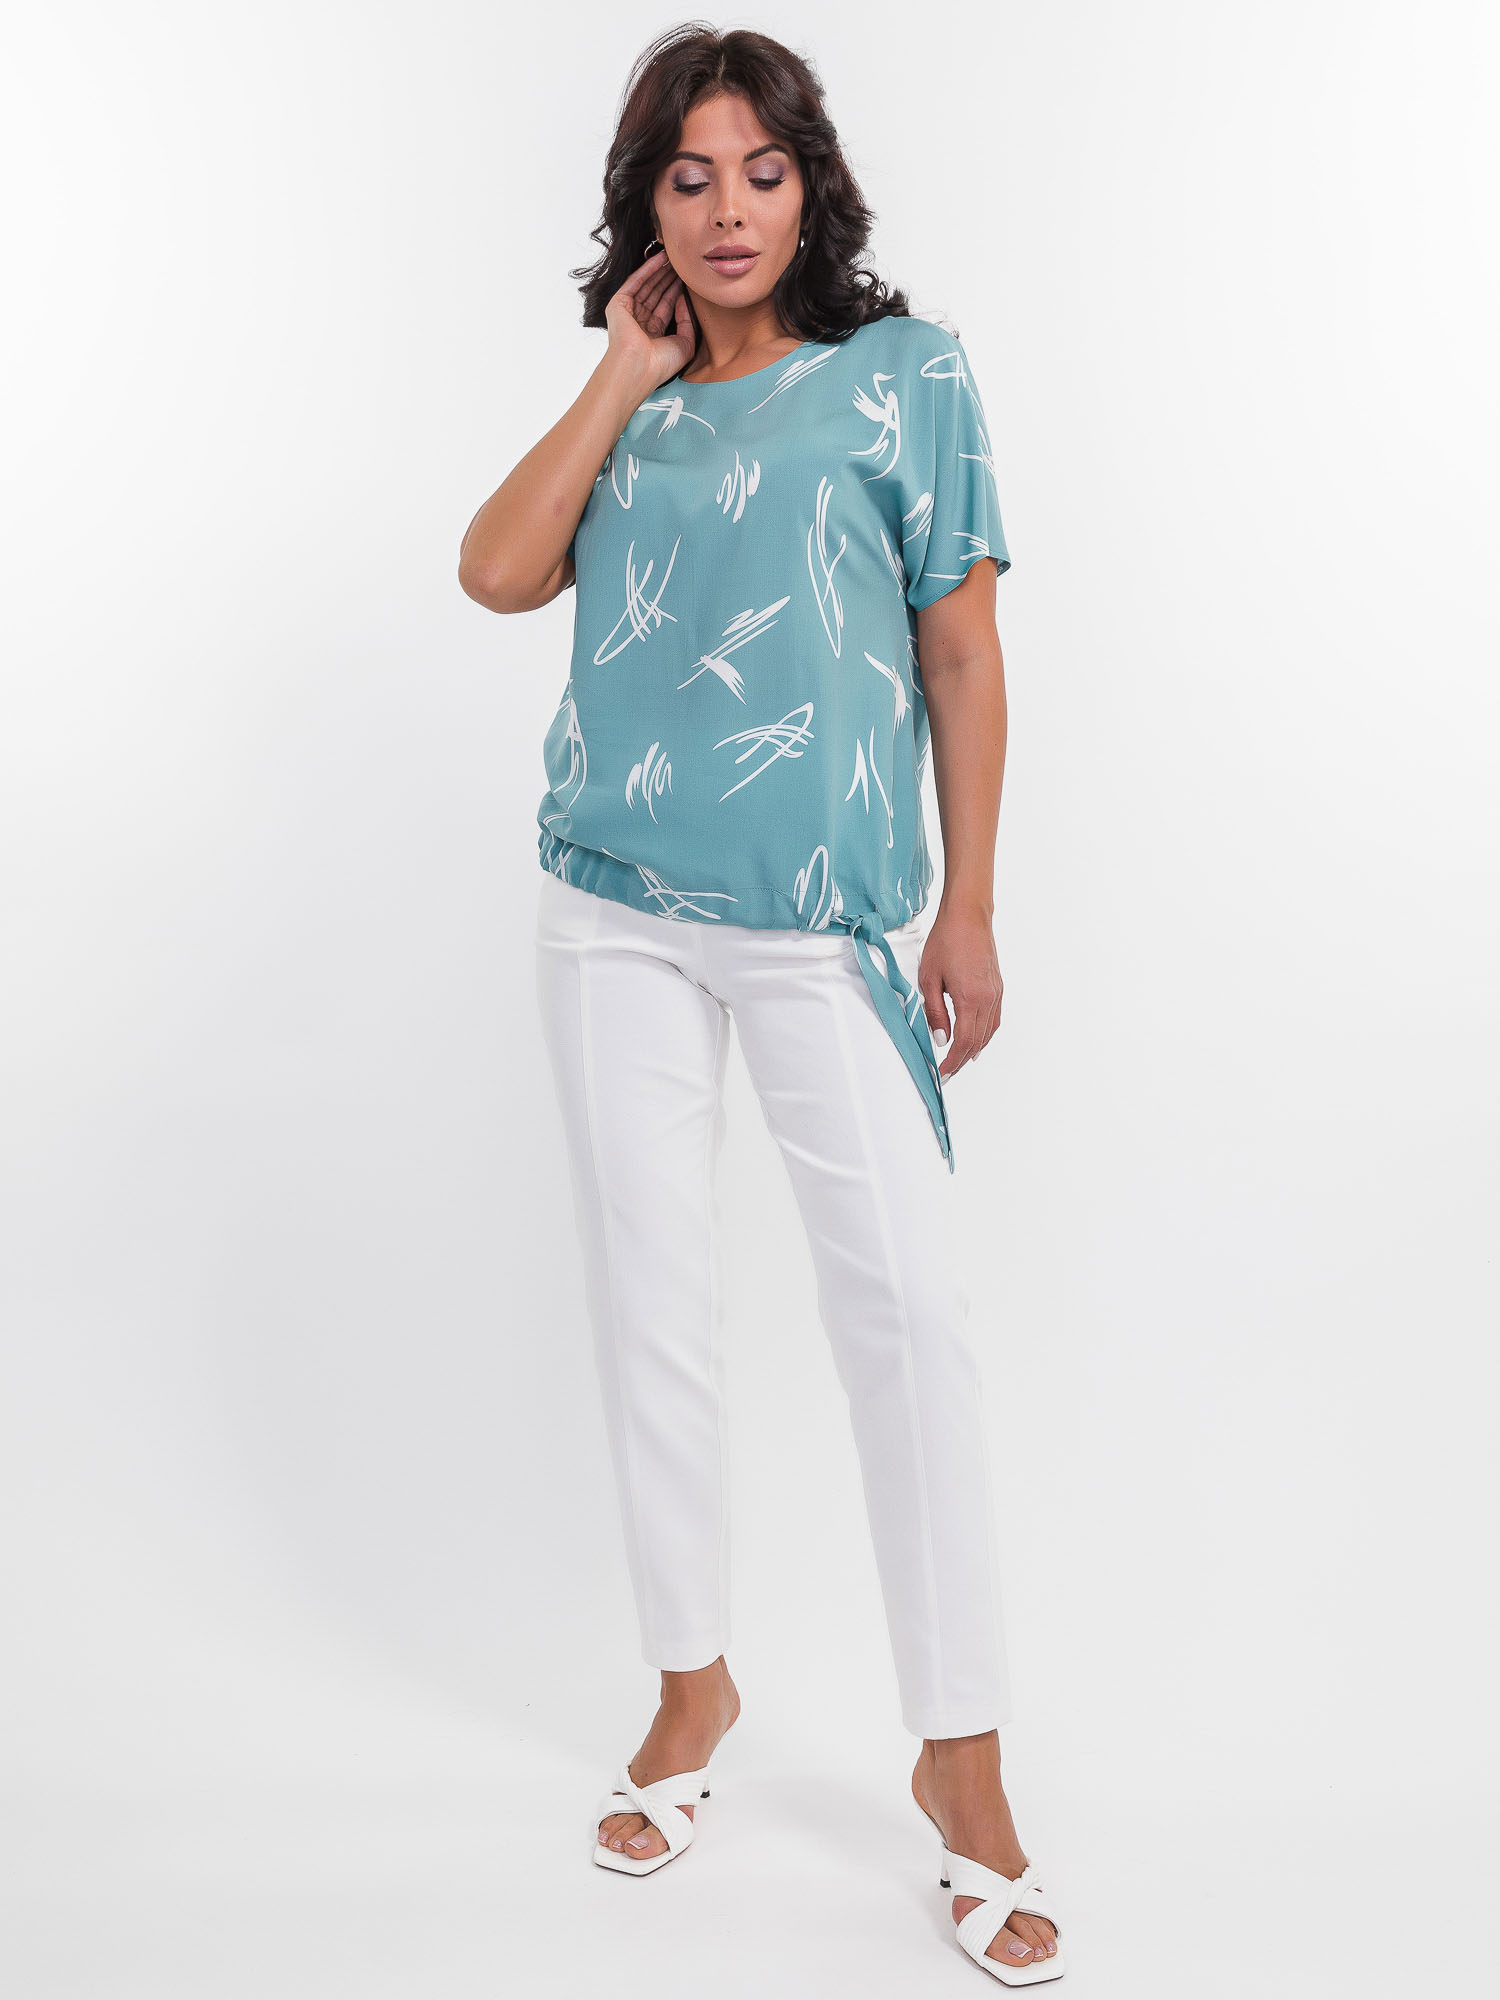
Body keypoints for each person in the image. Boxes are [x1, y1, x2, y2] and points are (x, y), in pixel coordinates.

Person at [458, 24, 1065, 1986]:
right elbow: (493, 572)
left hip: (821, 921)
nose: (729, 210)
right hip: (611, 907)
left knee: (909, 1319)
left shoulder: (907, 377)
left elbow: (961, 653)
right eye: (689, 175)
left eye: (762, 170)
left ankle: (961, 1758)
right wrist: (616, 372)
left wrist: (970, 902)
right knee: (654, 1297)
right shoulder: (635, 402)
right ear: (646, 204)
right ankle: (689, 1687)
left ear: (816, 184)